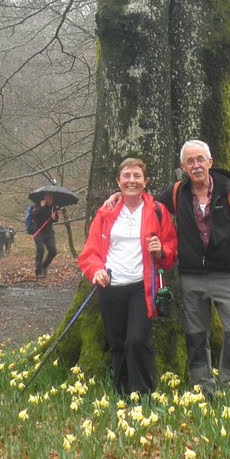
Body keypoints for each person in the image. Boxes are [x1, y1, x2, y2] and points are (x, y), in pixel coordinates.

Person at [158, 139, 230, 395]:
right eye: (190, 161)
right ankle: (203, 388)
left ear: (210, 162)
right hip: (192, 275)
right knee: (196, 334)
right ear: (183, 167)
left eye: (200, 159)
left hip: (228, 273)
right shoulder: (177, 192)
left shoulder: (228, 191)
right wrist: (119, 196)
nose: (196, 165)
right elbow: (148, 206)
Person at [78, 158, 177, 397]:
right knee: (117, 341)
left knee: (137, 339)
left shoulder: (157, 211)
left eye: (137, 176)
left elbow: (170, 250)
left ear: (146, 182)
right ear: (118, 181)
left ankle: (143, 394)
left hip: (141, 287)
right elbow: (90, 251)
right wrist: (96, 270)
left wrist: (160, 250)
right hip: (111, 286)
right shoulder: (106, 212)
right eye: (126, 176)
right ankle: (121, 394)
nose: (131, 181)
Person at [28, 193, 60, 277]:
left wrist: (54, 218)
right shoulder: (38, 205)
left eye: (51, 198)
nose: (49, 199)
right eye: (48, 197)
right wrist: (41, 207)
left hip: (49, 232)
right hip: (38, 231)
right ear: (44, 198)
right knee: (41, 250)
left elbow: (56, 219)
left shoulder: (54, 207)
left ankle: (44, 266)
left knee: (53, 251)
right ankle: (38, 272)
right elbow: (34, 216)